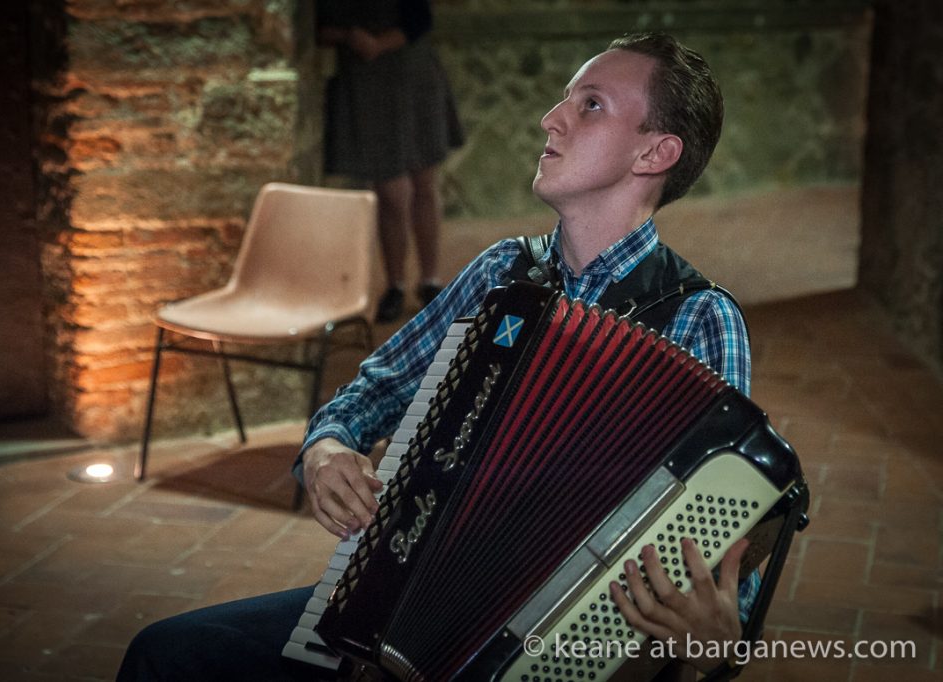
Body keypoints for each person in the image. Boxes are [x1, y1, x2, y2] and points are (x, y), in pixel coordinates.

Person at [119, 32, 754, 681]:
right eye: (565, 98)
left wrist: (721, 639)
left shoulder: (699, 318)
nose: (551, 118)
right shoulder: (503, 273)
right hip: (404, 610)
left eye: (590, 105)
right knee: (164, 655)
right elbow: (376, 388)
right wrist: (327, 448)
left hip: (556, 653)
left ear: (655, 153)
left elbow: (728, 560)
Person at [317, 0, 464, 323]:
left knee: (424, 183)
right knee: (391, 193)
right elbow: (318, 24)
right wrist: (350, 37)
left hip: (413, 75)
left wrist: (379, 43)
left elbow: (420, 18)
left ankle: (429, 281)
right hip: (366, 82)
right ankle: (395, 285)